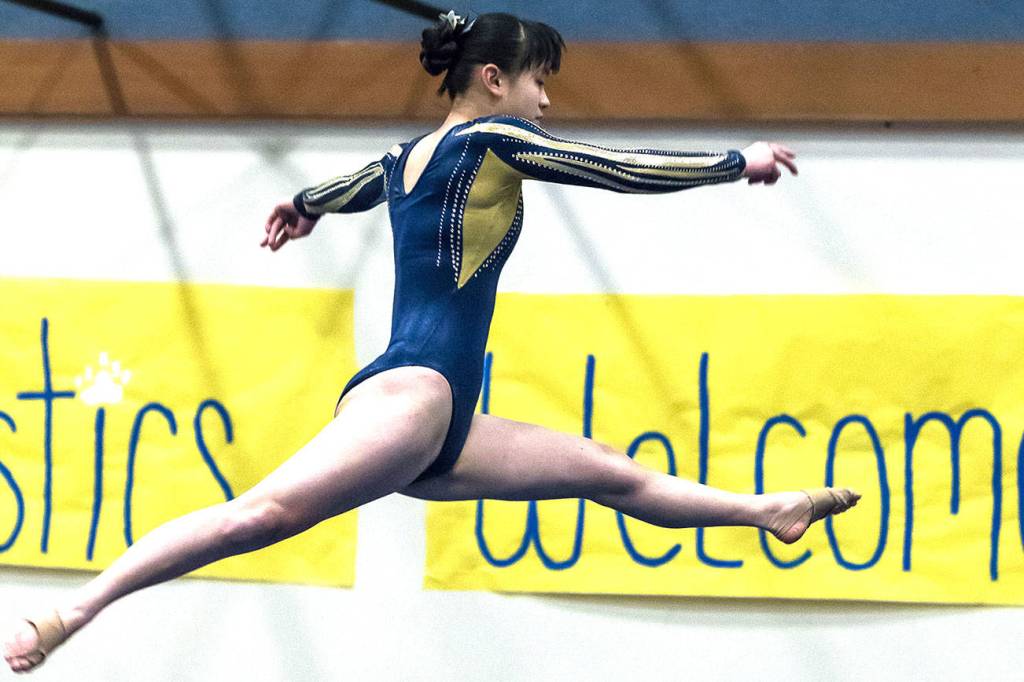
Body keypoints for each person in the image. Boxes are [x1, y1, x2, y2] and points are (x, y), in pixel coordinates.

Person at [3, 10, 859, 673]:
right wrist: (731, 161)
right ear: (493, 79)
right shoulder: (493, 138)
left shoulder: (406, 155)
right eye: (538, 84)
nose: (546, 102)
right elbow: (610, 165)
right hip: (413, 395)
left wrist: (302, 205)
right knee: (257, 516)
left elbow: (346, 186)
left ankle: (767, 512)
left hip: (438, 413)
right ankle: (75, 611)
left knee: (608, 468)